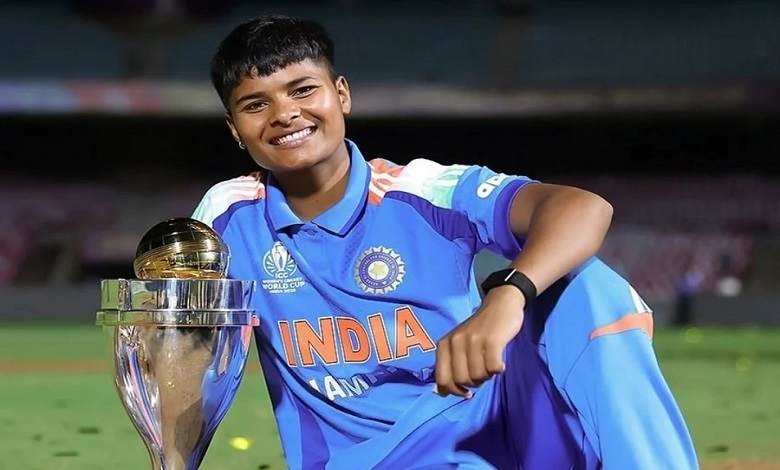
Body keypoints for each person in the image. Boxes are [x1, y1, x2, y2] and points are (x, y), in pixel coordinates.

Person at [192, 14, 699, 469]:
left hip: (489, 436)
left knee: (586, 287)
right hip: (370, 461)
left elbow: (583, 208)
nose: (284, 114)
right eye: (256, 104)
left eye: (303, 90)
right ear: (235, 129)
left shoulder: (424, 190)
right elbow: (179, 352)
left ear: (341, 94)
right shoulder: (228, 218)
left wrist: (508, 294)